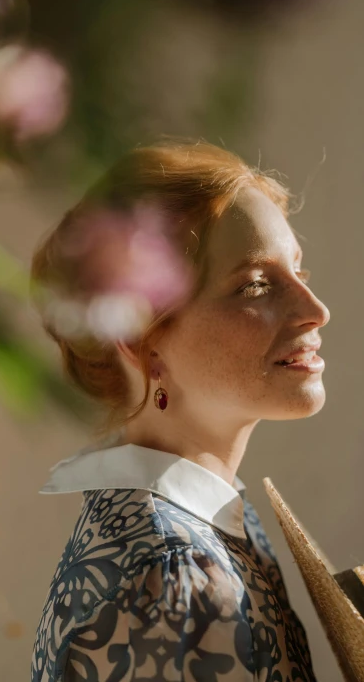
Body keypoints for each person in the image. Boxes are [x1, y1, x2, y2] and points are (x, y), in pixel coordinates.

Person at [30, 140, 329, 681]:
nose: (316, 311)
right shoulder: (175, 573)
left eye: (298, 272)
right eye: (256, 285)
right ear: (142, 341)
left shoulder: (205, 523)